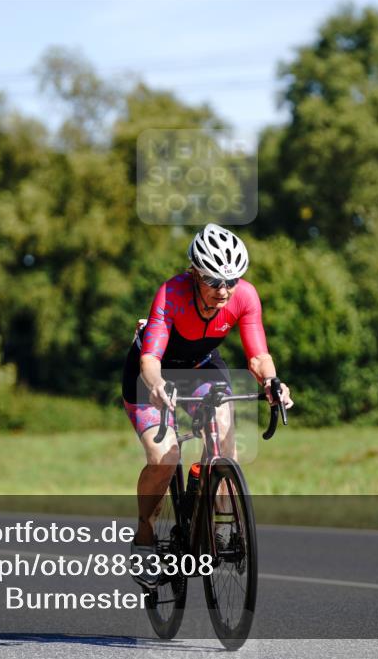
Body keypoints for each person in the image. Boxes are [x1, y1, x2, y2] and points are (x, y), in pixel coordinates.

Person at [121, 223, 293, 587]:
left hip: (201, 369)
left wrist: (272, 383)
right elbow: (150, 361)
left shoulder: (244, 298)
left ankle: (216, 519)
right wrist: (155, 385)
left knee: (223, 441)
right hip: (151, 375)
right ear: (195, 274)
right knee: (163, 457)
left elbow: (258, 355)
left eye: (231, 280)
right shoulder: (172, 294)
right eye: (214, 281)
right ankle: (145, 532)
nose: (224, 290)